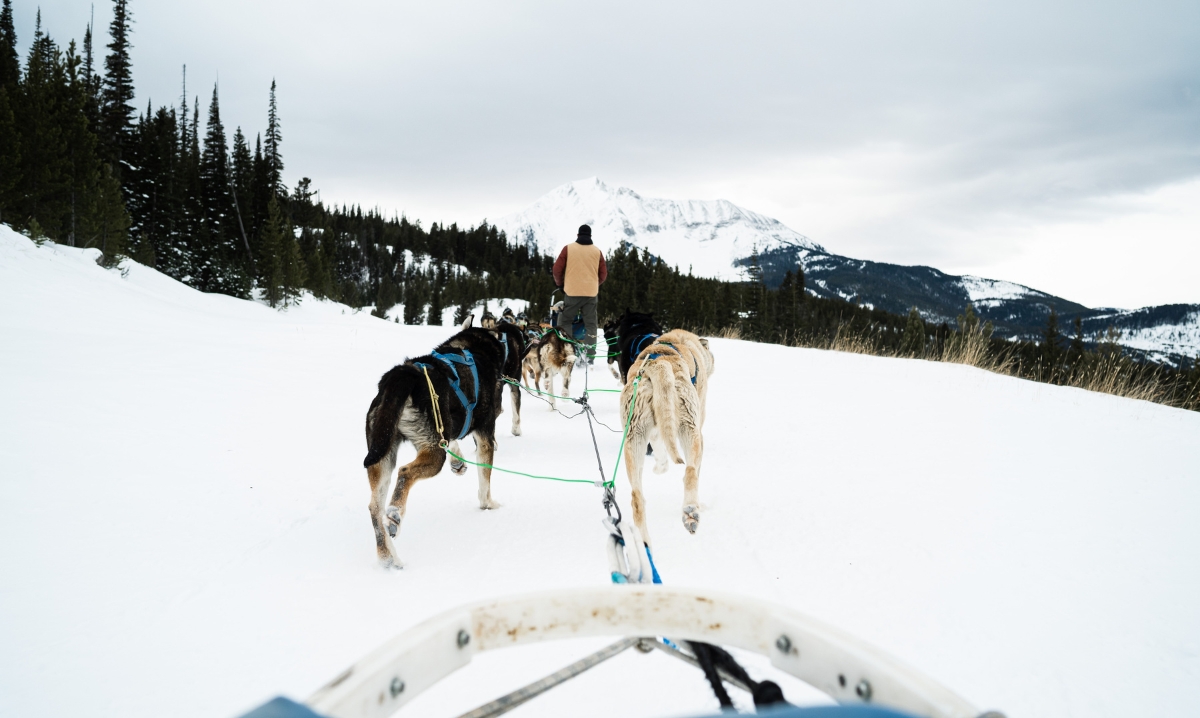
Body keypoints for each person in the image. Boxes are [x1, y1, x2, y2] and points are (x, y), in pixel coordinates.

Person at [552, 224, 607, 365]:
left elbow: (557, 269)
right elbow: (603, 274)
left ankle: (568, 352)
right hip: (590, 294)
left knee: (566, 321)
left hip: (571, 293)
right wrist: (594, 284)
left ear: (578, 235)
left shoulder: (568, 248)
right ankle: (589, 357)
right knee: (591, 324)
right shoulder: (597, 251)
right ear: (590, 236)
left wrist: (560, 284)